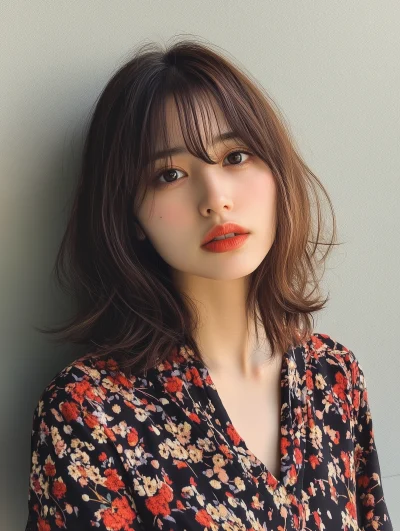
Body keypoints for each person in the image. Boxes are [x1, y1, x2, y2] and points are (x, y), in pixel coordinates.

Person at [25, 38, 393, 530]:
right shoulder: (90, 412)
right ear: (130, 214)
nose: (216, 199)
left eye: (236, 157)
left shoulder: (334, 377)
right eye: (170, 173)